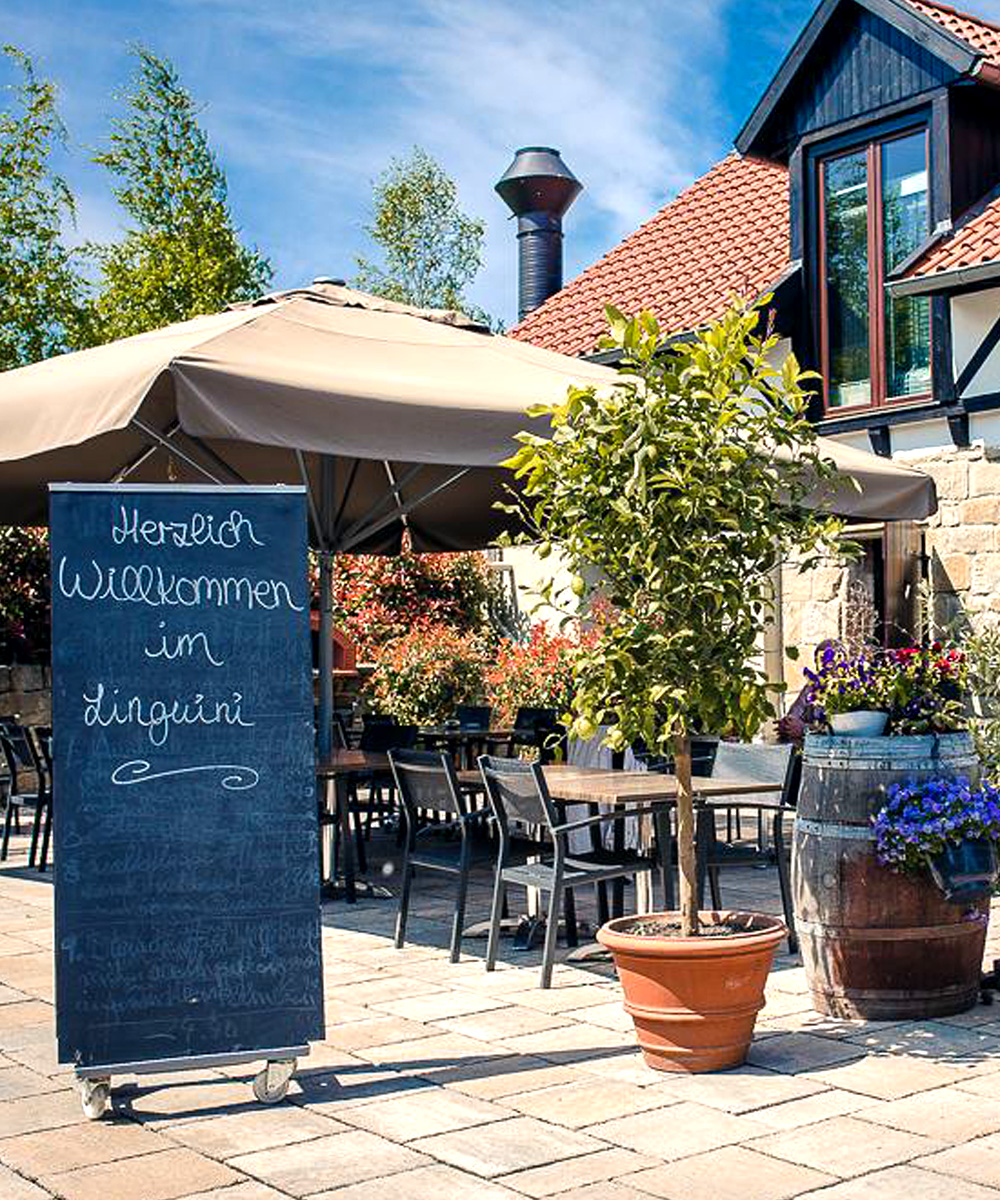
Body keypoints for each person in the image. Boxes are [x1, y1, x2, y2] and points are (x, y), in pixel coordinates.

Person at [778, 639, 842, 745]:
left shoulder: (848, 689)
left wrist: (805, 729)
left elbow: (840, 729)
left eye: (827, 660)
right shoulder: (811, 687)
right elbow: (795, 713)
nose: (822, 665)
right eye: (818, 660)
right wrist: (787, 724)